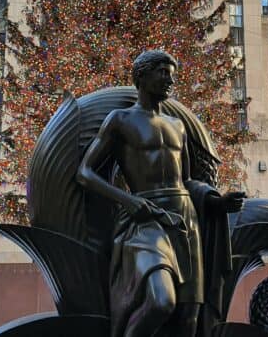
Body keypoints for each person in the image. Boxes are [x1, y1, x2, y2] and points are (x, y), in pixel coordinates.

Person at [77, 50, 245, 337]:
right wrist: (128, 201)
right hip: (146, 221)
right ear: (142, 76)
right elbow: (85, 172)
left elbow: (188, 181)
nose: (171, 80)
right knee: (160, 302)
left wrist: (216, 201)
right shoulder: (120, 119)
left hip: (185, 220)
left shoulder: (178, 126)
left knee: (189, 315)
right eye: (164, 72)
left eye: (173, 73)